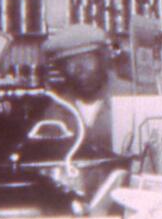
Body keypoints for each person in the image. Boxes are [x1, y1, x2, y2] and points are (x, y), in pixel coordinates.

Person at [42, 22, 120, 154]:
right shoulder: (56, 110)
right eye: (70, 62)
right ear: (62, 70)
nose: (80, 69)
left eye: (87, 59)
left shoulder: (133, 98)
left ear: (104, 59)